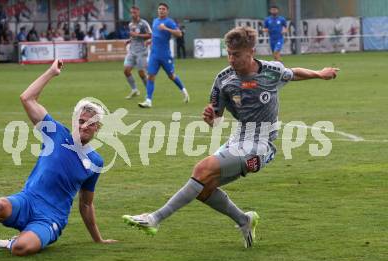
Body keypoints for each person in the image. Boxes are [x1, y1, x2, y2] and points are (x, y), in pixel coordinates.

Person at [123, 26, 339, 248]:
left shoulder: (271, 71)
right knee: (202, 187)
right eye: (228, 53)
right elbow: (216, 120)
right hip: (238, 139)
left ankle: (154, 218)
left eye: (236, 54)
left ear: (251, 52)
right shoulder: (223, 80)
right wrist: (210, 118)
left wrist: (319, 74)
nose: (231, 59)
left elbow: (293, 73)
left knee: (200, 171)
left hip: (261, 144)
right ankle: (244, 220)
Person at [0, 60, 117, 256]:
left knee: (22, 248)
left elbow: (86, 204)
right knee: (1, 205)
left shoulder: (96, 162)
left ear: (98, 128)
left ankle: (9, 243)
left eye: (90, 123)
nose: (84, 126)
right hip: (27, 201)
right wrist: (51, 73)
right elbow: (27, 98)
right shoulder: (55, 133)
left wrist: (99, 239)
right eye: (80, 121)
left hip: (51, 218)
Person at [138, 2, 189, 108]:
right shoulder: (155, 21)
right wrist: (150, 41)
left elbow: (179, 34)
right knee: (150, 76)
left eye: (163, 9)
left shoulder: (169, 22)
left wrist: (166, 28)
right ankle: (148, 100)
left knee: (171, 76)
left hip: (165, 55)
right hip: (154, 55)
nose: (161, 10)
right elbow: (156, 35)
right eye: (160, 8)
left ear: (167, 11)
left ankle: (184, 91)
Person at [123, 6, 152, 99]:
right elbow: (133, 36)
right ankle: (134, 90)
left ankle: (149, 92)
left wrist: (137, 35)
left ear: (138, 13)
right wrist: (129, 40)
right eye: (131, 13)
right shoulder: (130, 24)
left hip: (141, 51)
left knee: (141, 73)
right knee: (126, 71)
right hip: (132, 51)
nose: (133, 14)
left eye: (134, 13)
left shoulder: (144, 23)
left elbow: (150, 35)